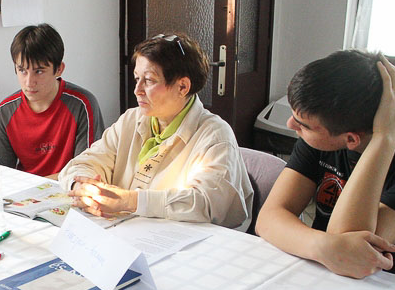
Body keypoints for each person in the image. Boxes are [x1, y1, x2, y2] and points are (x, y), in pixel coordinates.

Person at [255, 51, 395, 289]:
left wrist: (384, 138)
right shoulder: (321, 135)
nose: (291, 125)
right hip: (332, 276)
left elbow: (353, 248)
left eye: (303, 125)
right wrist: (322, 246)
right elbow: (269, 218)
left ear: (352, 139)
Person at [58, 33, 253, 229]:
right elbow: (83, 163)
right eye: (137, 78)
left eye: (149, 80)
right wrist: (84, 188)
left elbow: (205, 203)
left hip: (187, 239)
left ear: (182, 87)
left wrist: (130, 201)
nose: (137, 90)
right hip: (129, 231)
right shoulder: (131, 120)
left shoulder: (215, 136)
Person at [0, 23, 104, 178]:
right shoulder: (5, 111)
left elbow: (85, 171)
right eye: (22, 70)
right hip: (24, 190)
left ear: (59, 69)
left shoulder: (82, 105)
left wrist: (37, 186)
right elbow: (1, 174)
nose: (29, 82)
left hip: (70, 188)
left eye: (39, 71)